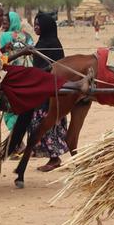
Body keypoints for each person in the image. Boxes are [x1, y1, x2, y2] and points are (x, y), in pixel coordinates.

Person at [27, 13, 69, 172]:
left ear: (45, 26)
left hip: (49, 91)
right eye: (34, 24)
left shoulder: (51, 43)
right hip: (43, 88)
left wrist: (34, 74)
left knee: (47, 122)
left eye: (38, 24)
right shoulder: (44, 41)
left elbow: (53, 67)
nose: (35, 27)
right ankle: (52, 156)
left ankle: (54, 158)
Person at [0, 11, 34, 132]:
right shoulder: (28, 36)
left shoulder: (3, 36)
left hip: (11, 75)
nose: (3, 25)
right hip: (28, 75)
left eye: (5, 23)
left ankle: (18, 141)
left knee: (9, 109)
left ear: (11, 23)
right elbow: (33, 54)